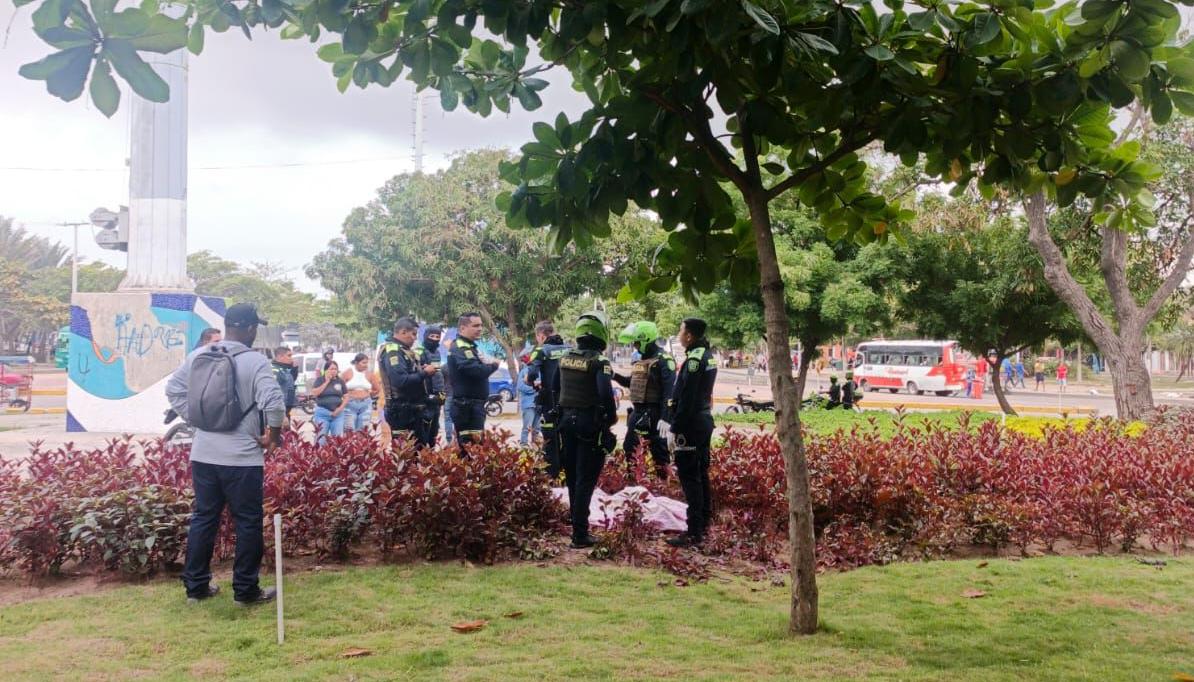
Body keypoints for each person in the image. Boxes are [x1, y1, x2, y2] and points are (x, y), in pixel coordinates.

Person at [165, 303, 284, 607]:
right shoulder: (255, 361)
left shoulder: (200, 354)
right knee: (247, 522)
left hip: (203, 454)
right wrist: (273, 436)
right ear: (249, 329)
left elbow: (174, 389)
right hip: (241, 458)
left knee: (204, 518)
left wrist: (197, 419)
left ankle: (196, 588)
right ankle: (245, 591)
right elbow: (273, 402)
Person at [553, 311, 617, 549]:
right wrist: (609, 420)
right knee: (586, 479)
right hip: (589, 425)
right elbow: (605, 394)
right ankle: (580, 534)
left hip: (566, 423)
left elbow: (554, 389)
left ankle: (577, 528)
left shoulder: (565, 358)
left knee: (572, 478)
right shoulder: (599, 362)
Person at [660, 318, 717, 548]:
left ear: (690, 336)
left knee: (690, 477)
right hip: (702, 421)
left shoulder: (694, 360)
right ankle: (702, 525)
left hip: (691, 425)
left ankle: (694, 532)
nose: (678, 334)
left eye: (680, 330)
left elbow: (688, 399)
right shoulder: (707, 354)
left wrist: (675, 427)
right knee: (700, 474)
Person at [613, 320, 675, 476]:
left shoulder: (663, 360)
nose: (635, 346)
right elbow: (631, 382)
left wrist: (666, 418)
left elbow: (669, 392)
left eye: (637, 343)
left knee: (660, 456)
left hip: (655, 415)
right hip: (637, 413)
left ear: (646, 339)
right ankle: (633, 487)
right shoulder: (640, 361)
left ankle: (663, 489)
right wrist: (614, 376)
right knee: (630, 450)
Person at [378, 317, 437, 447]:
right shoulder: (393, 351)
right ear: (403, 332)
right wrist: (425, 373)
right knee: (406, 456)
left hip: (413, 408)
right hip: (401, 409)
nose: (415, 338)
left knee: (420, 452)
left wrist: (420, 370)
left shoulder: (403, 350)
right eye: (413, 334)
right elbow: (400, 380)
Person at [447, 312, 499, 451]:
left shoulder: (470, 347)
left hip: (473, 405)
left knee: (476, 450)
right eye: (475, 325)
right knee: (469, 450)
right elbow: (475, 371)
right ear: (463, 328)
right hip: (466, 406)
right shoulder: (460, 346)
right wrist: (493, 365)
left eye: (481, 325)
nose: (480, 329)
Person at [526, 321, 570, 477]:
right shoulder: (570, 349)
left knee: (550, 438)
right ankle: (568, 474)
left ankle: (553, 475)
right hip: (569, 401)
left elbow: (531, 374)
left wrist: (530, 381)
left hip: (550, 401)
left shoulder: (541, 350)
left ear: (541, 335)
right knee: (568, 437)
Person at [417, 325, 447, 446]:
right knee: (423, 431)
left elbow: (437, 374)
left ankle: (431, 457)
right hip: (425, 398)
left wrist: (441, 392)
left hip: (437, 397)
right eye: (432, 336)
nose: (435, 339)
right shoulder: (419, 351)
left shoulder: (437, 353)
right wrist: (427, 396)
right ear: (425, 336)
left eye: (437, 336)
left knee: (434, 432)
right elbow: (419, 374)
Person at [310, 360, 348, 442]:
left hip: (338, 414)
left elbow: (346, 397)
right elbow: (315, 394)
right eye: (331, 369)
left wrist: (340, 409)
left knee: (337, 440)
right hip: (322, 414)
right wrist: (327, 381)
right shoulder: (320, 380)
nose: (333, 371)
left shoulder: (340, 381)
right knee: (321, 440)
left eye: (335, 369)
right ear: (326, 370)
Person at [341, 353, 380, 433]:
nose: (366, 365)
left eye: (367, 363)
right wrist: (347, 396)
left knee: (363, 431)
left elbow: (377, 389)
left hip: (365, 405)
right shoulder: (347, 372)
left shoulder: (370, 374)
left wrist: (368, 394)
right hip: (350, 405)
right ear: (356, 363)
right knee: (349, 431)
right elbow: (340, 388)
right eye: (364, 363)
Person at [271, 347, 298, 421]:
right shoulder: (275, 370)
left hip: (286, 409)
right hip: (279, 410)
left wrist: (295, 369)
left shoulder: (284, 369)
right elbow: (273, 394)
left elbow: (289, 383)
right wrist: (281, 414)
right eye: (289, 356)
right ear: (280, 356)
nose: (291, 358)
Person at [517, 357, 540, 446]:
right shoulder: (524, 371)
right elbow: (520, 387)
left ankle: (535, 447)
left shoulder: (539, 371)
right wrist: (534, 389)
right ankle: (524, 445)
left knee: (537, 428)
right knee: (527, 427)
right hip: (528, 404)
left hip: (538, 404)